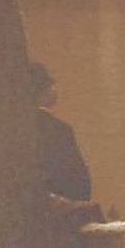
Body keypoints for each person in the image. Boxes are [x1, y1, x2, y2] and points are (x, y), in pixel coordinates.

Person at [29, 62, 92, 203]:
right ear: (42, 91)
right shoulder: (59, 130)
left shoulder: (7, 131)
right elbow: (79, 184)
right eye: (50, 85)